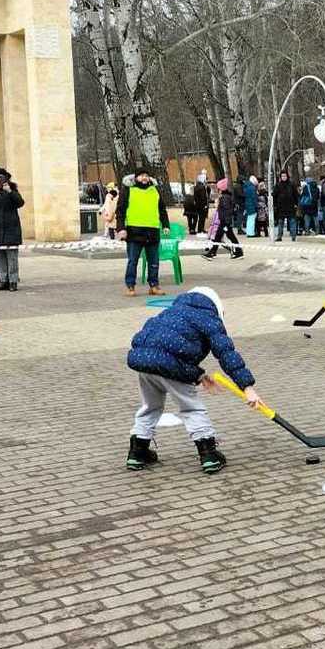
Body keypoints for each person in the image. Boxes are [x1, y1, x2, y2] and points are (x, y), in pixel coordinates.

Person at [124, 286, 261, 475]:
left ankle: (137, 452)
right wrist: (247, 386)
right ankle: (209, 455)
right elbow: (226, 353)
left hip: (143, 363)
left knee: (150, 406)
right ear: (215, 305)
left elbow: (161, 348)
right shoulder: (209, 319)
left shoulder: (169, 312)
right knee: (191, 408)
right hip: (170, 367)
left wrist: (199, 375)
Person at [116, 168, 169, 297]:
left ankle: (154, 286)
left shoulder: (154, 190)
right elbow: (120, 211)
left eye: (146, 175)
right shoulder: (128, 190)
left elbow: (162, 209)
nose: (144, 178)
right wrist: (121, 228)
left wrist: (165, 225)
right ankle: (130, 286)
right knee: (133, 261)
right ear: (136, 178)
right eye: (141, 176)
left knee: (154, 261)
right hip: (134, 231)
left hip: (152, 231)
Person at [203, 179, 244, 260]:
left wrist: (225, 222)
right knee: (221, 237)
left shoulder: (224, 198)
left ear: (221, 189)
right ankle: (213, 252)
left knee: (227, 236)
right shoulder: (226, 197)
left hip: (224, 222)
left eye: (218, 188)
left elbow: (226, 210)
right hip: (224, 221)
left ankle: (238, 252)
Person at [272, 170, 299, 242]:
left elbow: (296, 195)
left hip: (290, 206)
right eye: (282, 176)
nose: (284, 177)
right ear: (280, 177)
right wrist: (275, 205)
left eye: (285, 176)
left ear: (287, 176)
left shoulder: (291, 184)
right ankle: (279, 236)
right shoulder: (278, 185)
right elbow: (274, 195)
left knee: (292, 221)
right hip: (281, 207)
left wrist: (296, 204)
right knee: (280, 222)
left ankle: (293, 236)